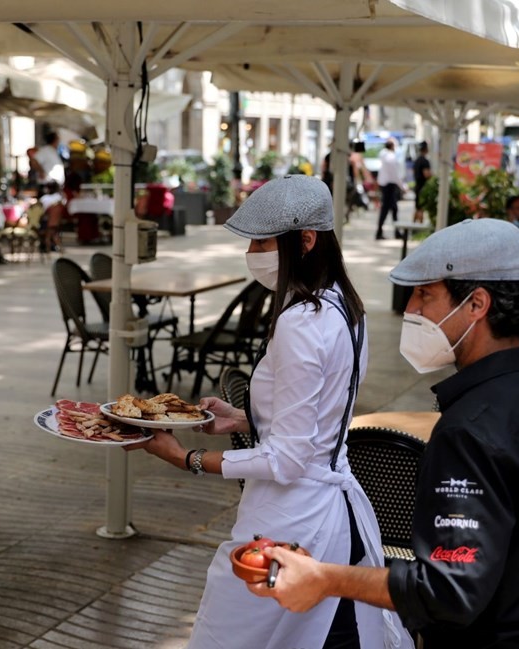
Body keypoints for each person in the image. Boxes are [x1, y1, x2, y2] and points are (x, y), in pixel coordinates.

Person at [248, 218, 519, 649]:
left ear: (477, 304)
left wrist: (324, 578)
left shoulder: (469, 431)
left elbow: (449, 590)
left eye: (424, 295)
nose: (412, 310)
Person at [128, 175, 411, 649]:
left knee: (237, 633)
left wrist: (187, 458)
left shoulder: (302, 321)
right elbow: (319, 414)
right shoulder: (346, 307)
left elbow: (286, 460)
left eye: (262, 239)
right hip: (328, 512)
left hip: (293, 520)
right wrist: (243, 420)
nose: (253, 251)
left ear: (306, 240)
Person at [376, 139, 405, 240]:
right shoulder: (390, 157)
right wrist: (403, 186)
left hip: (386, 185)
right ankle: (382, 232)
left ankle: (390, 231)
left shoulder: (384, 155)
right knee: (388, 209)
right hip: (389, 185)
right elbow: (395, 175)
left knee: (392, 209)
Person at [411, 141, 432, 223]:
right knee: (421, 208)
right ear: (426, 149)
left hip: (417, 186)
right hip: (423, 187)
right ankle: (419, 227)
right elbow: (426, 174)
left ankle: (413, 226)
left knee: (418, 207)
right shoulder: (424, 161)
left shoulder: (417, 160)